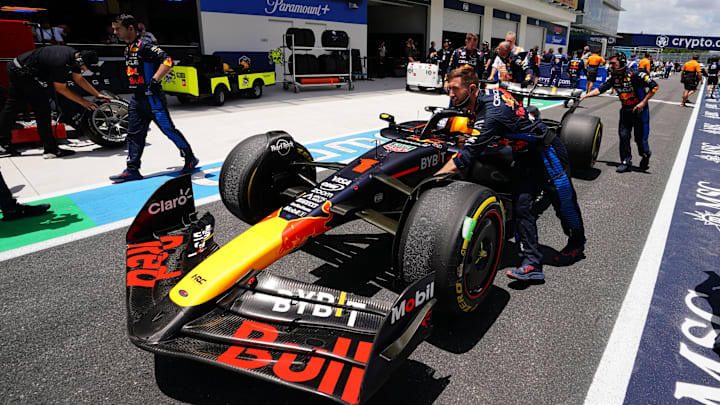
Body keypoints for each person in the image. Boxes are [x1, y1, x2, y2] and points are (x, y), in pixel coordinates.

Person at [435, 67, 586, 281]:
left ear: (471, 88)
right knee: (522, 206)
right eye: (449, 89)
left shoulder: (491, 116)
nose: (450, 95)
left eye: (455, 90)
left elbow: (465, 156)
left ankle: (577, 244)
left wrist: (434, 179)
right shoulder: (486, 96)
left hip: (547, 152)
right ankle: (532, 263)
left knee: (564, 203)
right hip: (524, 155)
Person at [109, 14, 198, 183]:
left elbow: (168, 61)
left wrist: (154, 81)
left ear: (130, 28)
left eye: (117, 28)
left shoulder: (146, 46)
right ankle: (132, 169)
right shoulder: (127, 48)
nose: (115, 32)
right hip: (137, 99)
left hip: (152, 99)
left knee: (168, 130)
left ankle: (190, 158)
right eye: (114, 29)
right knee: (133, 135)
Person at [0, 46, 107, 158]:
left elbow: (79, 78)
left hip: (17, 67)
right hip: (22, 72)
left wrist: (96, 94)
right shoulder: (60, 62)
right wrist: (84, 102)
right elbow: (61, 89)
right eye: (86, 67)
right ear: (80, 61)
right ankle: (50, 150)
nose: (86, 70)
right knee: (42, 109)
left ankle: (3, 145)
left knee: (12, 106)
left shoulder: (75, 58)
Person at [581, 53, 659, 173]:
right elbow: (601, 89)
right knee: (623, 137)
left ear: (622, 63)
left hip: (640, 112)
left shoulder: (635, 74)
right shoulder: (614, 77)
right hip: (625, 112)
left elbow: (654, 86)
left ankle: (645, 155)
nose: (610, 65)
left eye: (613, 63)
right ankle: (626, 162)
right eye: (610, 63)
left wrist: (643, 102)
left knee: (640, 140)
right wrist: (586, 95)